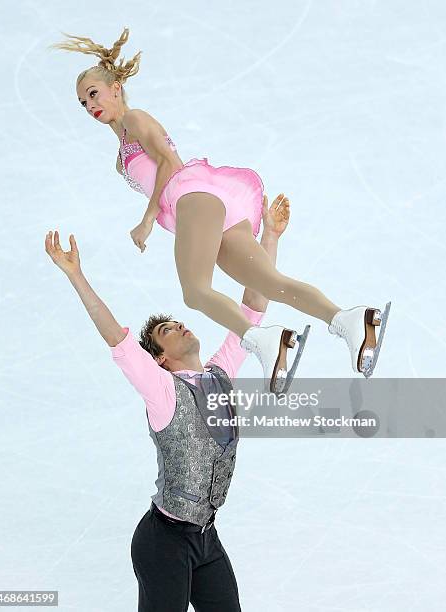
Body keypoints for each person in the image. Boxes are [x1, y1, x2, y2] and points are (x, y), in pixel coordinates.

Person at [51, 28, 390, 390]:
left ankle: (265, 341)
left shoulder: (135, 120)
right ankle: (349, 320)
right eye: (83, 103)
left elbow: (167, 161)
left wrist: (147, 219)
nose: (90, 106)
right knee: (270, 284)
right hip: (207, 207)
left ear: (115, 88)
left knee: (195, 291)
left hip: (191, 197)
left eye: (93, 94)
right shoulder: (120, 158)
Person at [45, 193, 291, 611]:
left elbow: (251, 311)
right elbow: (117, 338)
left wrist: (270, 236)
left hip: (206, 538)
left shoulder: (219, 374)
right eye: (167, 331)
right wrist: (76, 275)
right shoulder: (162, 392)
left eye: (176, 322)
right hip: (164, 543)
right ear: (160, 358)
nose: (179, 324)